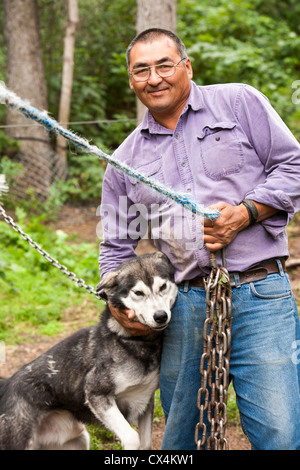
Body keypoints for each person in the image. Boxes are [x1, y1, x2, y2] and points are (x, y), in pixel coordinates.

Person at [98, 28, 300, 450]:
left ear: (186, 66)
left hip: (259, 293)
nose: (153, 78)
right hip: (183, 307)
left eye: (164, 65)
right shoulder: (124, 161)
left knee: (279, 433)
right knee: (183, 438)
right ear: (131, 80)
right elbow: (116, 247)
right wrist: (121, 307)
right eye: (141, 71)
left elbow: (293, 166)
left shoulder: (239, 102)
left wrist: (247, 213)